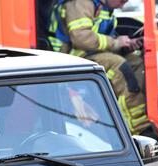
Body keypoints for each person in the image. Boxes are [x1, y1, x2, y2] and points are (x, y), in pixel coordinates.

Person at [47, 0, 150, 135]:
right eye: (121, 1)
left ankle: (145, 121)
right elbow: (81, 38)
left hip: (92, 52)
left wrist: (126, 43)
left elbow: (101, 35)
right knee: (120, 67)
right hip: (71, 56)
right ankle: (136, 131)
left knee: (136, 62)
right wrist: (115, 43)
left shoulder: (103, 6)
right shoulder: (81, 3)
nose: (122, 5)